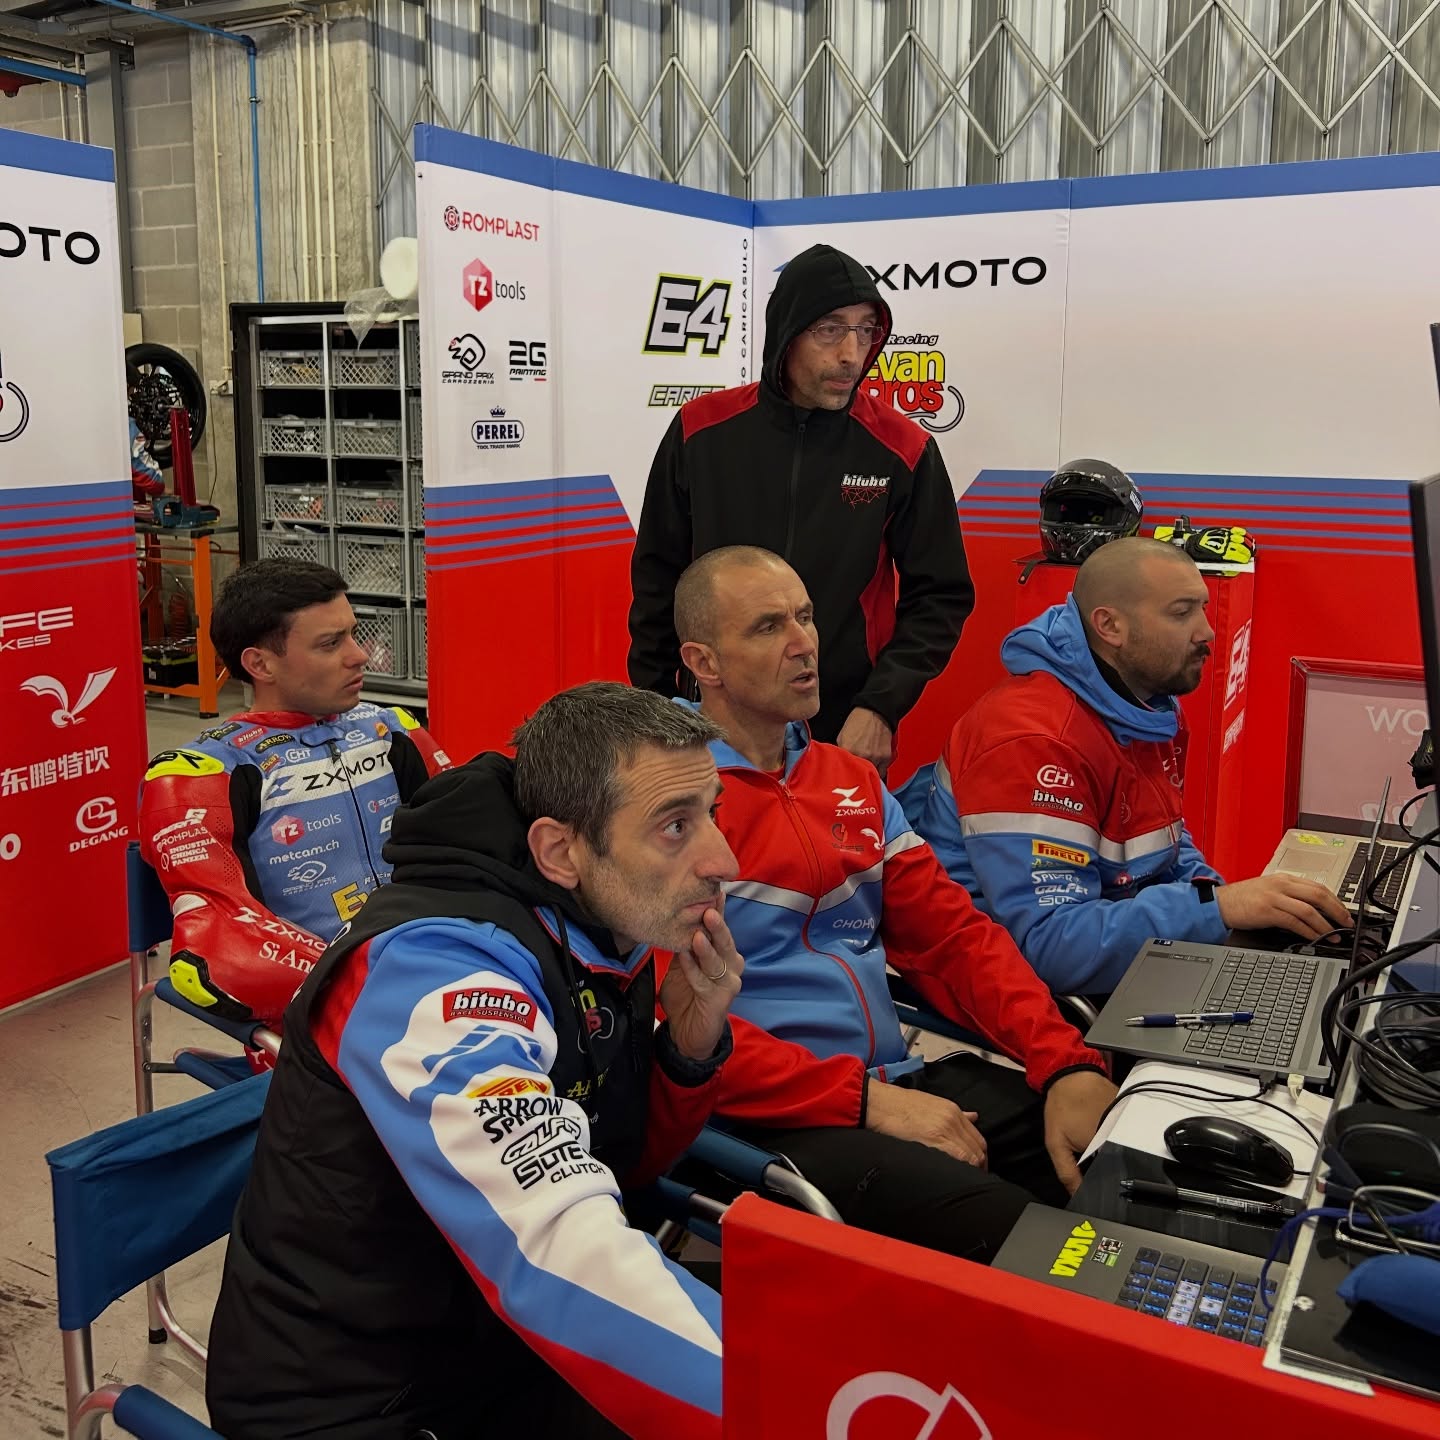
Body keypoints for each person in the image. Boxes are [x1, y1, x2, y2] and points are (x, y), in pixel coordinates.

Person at [206, 683, 742, 1440]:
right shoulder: (432, 972)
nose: (725, 859)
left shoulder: (599, 921)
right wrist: (772, 1401)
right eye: (676, 825)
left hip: (495, 1348)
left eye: (712, 812)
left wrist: (685, 1052)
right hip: (359, 1403)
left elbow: (613, 1164)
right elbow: (555, 1244)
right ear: (559, 851)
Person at [667, 545, 1116, 1262]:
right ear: (704, 662)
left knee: (1123, 1165)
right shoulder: (670, 801)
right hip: (767, 1118)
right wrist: (865, 1103)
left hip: (895, 1078)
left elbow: (954, 939)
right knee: (1039, 1248)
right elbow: (673, 1026)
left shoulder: (849, 779)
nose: (803, 644)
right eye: (767, 627)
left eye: (806, 617)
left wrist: (1064, 1060)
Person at [902, 536, 1350, 996]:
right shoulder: (1034, 740)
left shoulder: (1145, 702)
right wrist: (1216, 909)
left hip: (1102, 943)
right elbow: (1050, 947)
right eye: (1181, 613)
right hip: (999, 981)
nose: (1207, 631)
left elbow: (1164, 845)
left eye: (1202, 607)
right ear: (1110, 625)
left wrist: (1222, 904)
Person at [628, 241, 973, 775]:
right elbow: (658, 578)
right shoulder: (701, 431)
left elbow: (941, 595)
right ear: (786, 334)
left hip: (843, 725)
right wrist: (655, 705)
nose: (851, 354)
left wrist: (881, 705)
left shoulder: (902, 449)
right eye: (829, 330)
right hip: (711, 720)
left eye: (866, 330)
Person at [139, 558, 450, 1031]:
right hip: (325, 1021)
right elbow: (224, 934)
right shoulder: (201, 772)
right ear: (260, 664)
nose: (359, 656)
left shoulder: (392, 730)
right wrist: (364, 986)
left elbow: (479, 843)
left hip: (436, 975)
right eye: (330, 643)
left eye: (352, 634)